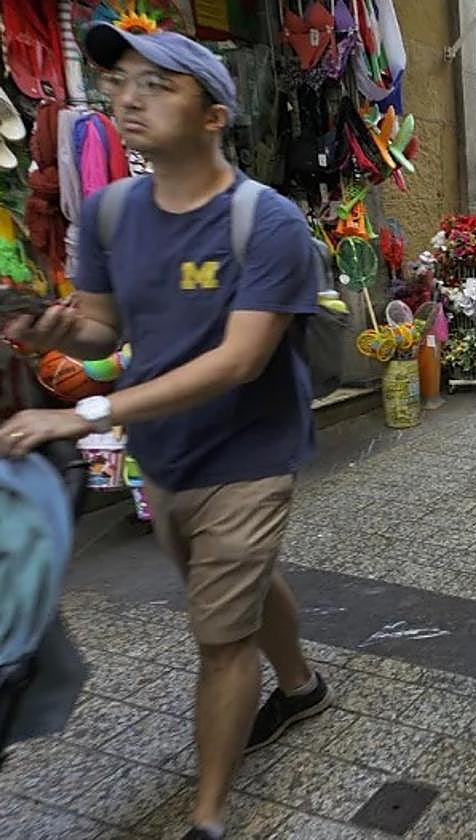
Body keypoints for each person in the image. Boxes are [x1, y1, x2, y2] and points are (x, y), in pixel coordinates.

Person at [0, 26, 331, 840]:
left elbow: (239, 361)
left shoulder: (267, 222)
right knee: (237, 590)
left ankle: (207, 816)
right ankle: (302, 688)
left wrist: (85, 413)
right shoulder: (111, 213)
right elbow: (103, 328)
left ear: (214, 115)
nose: (127, 98)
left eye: (157, 84)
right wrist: (52, 333)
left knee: (219, 637)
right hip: (164, 456)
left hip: (249, 456)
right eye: (119, 81)